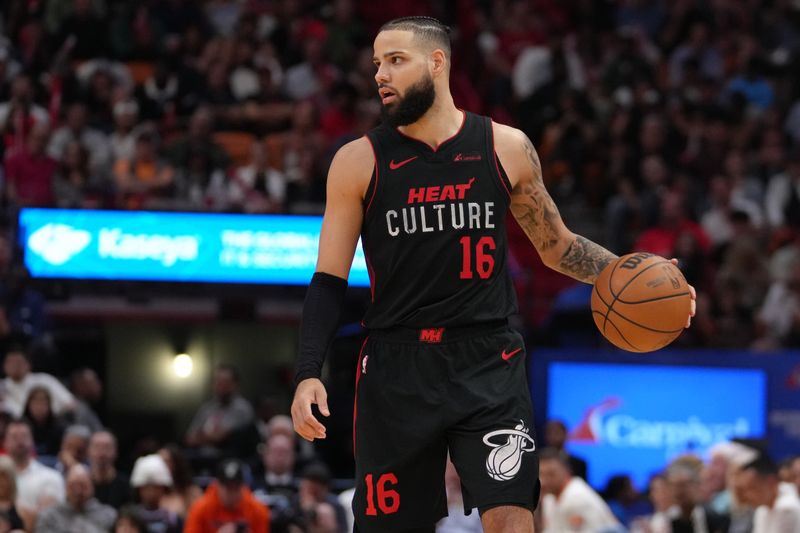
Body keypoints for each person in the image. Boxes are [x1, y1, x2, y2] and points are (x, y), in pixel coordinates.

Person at [290, 16, 696, 533]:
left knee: (512, 520)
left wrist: (642, 274)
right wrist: (308, 371)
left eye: (395, 61)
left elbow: (558, 247)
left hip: (487, 360)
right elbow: (328, 280)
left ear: (437, 63)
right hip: (397, 365)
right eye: (376, 64)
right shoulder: (358, 160)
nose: (380, 76)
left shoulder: (504, 146)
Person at [538, 448, 620, 532]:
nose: (544, 481)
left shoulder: (577, 497)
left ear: (567, 471)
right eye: (541, 474)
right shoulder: (549, 498)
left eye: (551, 474)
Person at [184, 458, 270, 533]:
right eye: (228, 488)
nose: (232, 493)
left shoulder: (257, 510)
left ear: (243, 486)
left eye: (235, 488)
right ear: (218, 485)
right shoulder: (200, 508)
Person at [4, 419, 65, 515]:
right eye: (14, 437)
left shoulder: (51, 476)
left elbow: (47, 517)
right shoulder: (2, 475)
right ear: (4, 442)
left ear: (32, 440)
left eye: (24, 436)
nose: (20, 440)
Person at [34, 463, 117, 533]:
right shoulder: (49, 516)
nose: (78, 491)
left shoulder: (109, 515)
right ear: (65, 488)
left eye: (83, 486)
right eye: (73, 486)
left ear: (92, 487)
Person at [738, 456, 800, 533]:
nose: (748, 495)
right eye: (745, 489)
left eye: (752, 488)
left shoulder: (787, 508)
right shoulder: (761, 509)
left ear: (771, 482)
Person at [89, 430, 130, 509]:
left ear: (116, 452)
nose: (102, 453)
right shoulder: (82, 484)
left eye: (107, 447)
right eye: (97, 447)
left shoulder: (125, 484)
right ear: (88, 451)